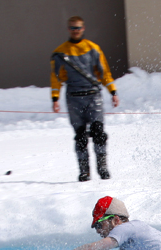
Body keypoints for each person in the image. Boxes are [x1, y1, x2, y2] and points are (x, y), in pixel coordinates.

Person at [51, 16, 119, 182]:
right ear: (69, 29)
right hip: (74, 98)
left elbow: (105, 73)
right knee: (80, 136)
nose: (76, 31)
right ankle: (84, 171)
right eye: (73, 28)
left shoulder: (93, 49)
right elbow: (56, 78)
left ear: (83, 28)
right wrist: (55, 98)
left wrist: (113, 91)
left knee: (99, 132)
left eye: (78, 28)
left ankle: (102, 168)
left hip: (93, 96)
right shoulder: (60, 52)